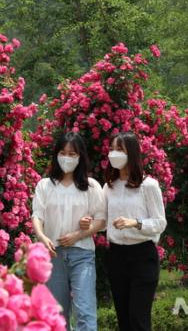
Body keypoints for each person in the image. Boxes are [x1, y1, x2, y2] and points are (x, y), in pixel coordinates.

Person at [81, 132, 166, 331]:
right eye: (111, 149)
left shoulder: (148, 186)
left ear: (132, 153)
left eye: (120, 149)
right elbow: (103, 222)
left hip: (143, 256)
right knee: (124, 319)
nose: (114, 153)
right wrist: (89, 222)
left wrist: (134, 223)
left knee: (139, 319)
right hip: (117, 256)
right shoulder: (109, 187)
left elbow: (160, 223)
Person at [32, 132, 106, 331]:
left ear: (80, 156)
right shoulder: (45, 186)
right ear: (56, 155)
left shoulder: (91, 187)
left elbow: (101, 221)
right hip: (53, 254)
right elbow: (37, 216)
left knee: (85, 311)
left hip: (82, 254)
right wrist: (42, 236)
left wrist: (79, 233)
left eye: (72, 154)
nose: (67, 157)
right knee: (58, 314)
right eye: (63, 152)